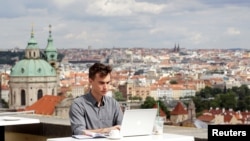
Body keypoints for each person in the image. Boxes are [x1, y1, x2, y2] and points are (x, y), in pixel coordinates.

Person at [69, 62, 123, 135]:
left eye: (107, 83)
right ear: (91, 81)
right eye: (101, 83)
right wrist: (109, 130)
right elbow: (79, 132)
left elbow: (122, 128)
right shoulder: (78, 105)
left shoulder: (113, 104)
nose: (105, 87)